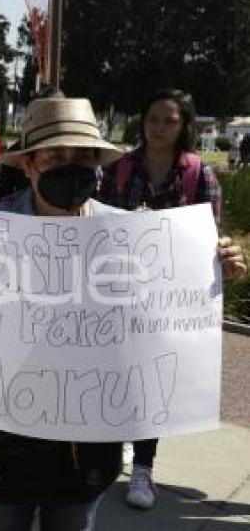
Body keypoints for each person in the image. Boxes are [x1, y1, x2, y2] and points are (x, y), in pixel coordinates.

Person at [0, 96, 245, 530]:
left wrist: (212, 270)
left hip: (88, 436)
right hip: (2, 431)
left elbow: (157, 314)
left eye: (83, 156)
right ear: (28, 165)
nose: (71, 165)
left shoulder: (128, 233)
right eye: (55, 156)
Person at [97, 88, 221, 509]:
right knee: (115, 372)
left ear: (184, 125)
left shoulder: (198, 173)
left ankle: (144, 469)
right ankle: (108, 454)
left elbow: (209, 237)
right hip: (118, 288)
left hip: (164, 300)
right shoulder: (121, 167)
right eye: (153, 118)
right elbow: (100, 219)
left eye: (169, 120)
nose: (159, 127)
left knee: (150, 379)